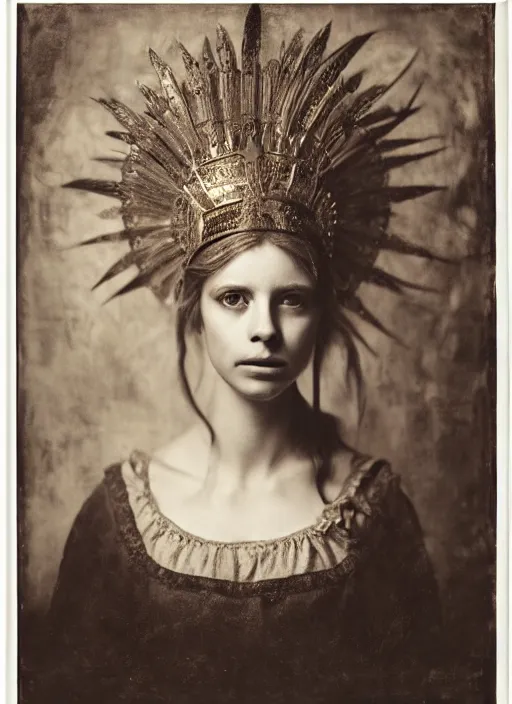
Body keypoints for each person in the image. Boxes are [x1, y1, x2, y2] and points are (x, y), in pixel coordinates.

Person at [33, 6, 447, 703]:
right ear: (192, 311)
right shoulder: (116, 520)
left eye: (292, 299)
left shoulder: (374, 518)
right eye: (234, 299)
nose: (265, 330)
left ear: (324, 312)